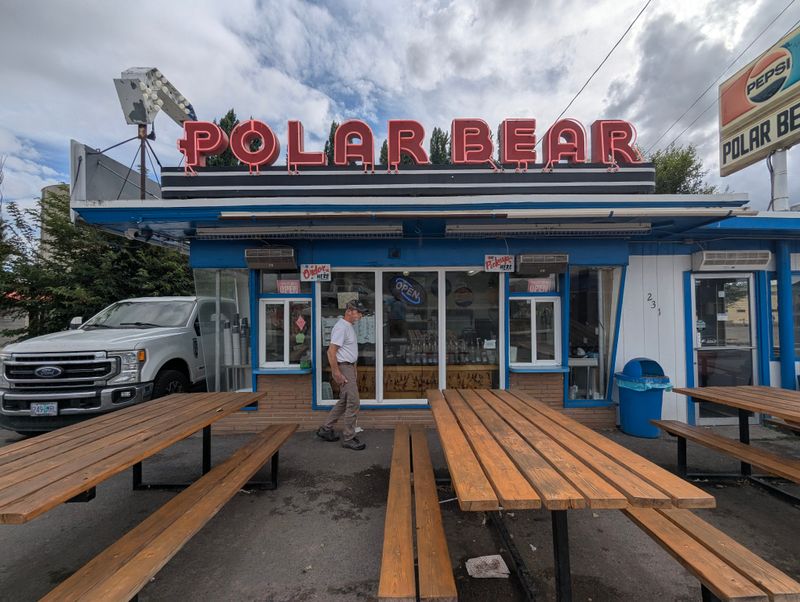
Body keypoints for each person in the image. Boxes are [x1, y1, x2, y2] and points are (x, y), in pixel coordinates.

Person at [316, 299, 369, 450]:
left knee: (344, 401)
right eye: (358, 312)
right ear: (349, 311)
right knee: (354, 402)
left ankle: (326, 429)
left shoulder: (348, 326)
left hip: (349, 367)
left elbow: (349, 351)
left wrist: (354, 369)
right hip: (343, 367)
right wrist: (336, 372)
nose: (360, 315)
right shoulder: (341, 327)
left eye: (361, 313)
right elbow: (331, 351)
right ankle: (349, 437)